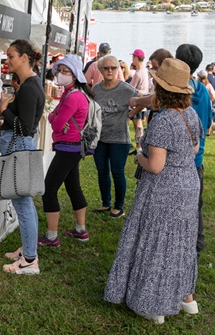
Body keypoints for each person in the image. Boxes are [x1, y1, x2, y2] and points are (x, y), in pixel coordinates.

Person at [104, 58, 202, 325]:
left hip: (163, 189)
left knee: (156, 243)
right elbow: (193, 150)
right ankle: (186, 298)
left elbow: (155, 166)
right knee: (181, 242)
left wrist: (138, 156)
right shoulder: (190, 114)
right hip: (188, 183)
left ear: (162, 89)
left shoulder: (162, 122)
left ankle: (152, 305)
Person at [0, 40, 45, 275]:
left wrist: (5, 108)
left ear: (25, 58)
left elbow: (24, 127)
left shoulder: (27, 88)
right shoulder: (29, 84)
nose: (8, 60)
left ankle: (29, 260)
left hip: (19, 146)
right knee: (25, 202)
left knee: (23, 203)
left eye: (11, 56)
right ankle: (28, 249)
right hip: (21, 146)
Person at [37, 55, 91, 248]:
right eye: (59, 71)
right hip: (72, 148)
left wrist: (55, 117)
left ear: (75, 75)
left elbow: (57, 123)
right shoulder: (72, 94)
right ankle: (80, 229)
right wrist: (56, 116)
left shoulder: (73, 96)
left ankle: (52, 237)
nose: (60, 74)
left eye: (65, 71)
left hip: (68, 148)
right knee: (73, 187)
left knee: (49, 190)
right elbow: (57, 117)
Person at [175, 44, 213, 257]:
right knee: (194, 205)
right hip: (196, 160)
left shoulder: (175, 92)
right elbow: (207, 124)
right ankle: (197, 244)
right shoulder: (203, 91)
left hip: (174, 160)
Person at [91, 56, 140, 218]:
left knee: (117, 172)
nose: (110, 71)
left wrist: (131, 114)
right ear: (100, 70)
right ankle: (106, 203)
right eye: (106, 68)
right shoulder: (96, 90)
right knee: (102, 171)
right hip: (100, 139)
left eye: (113, 67)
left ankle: (119, 206)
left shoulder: (126, 89)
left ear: (118, 69)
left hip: (119, 139)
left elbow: (142, 100)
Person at [129, 49, 150, 151]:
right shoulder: (144, 71)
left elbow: (130, 88)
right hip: (143, 102)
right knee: (139, 125)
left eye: (133, 57)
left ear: (136, 58)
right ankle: (139, 146)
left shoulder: (138, 74)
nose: (132, 60)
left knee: (138, 126)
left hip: (137, 102)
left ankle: (139, 147)